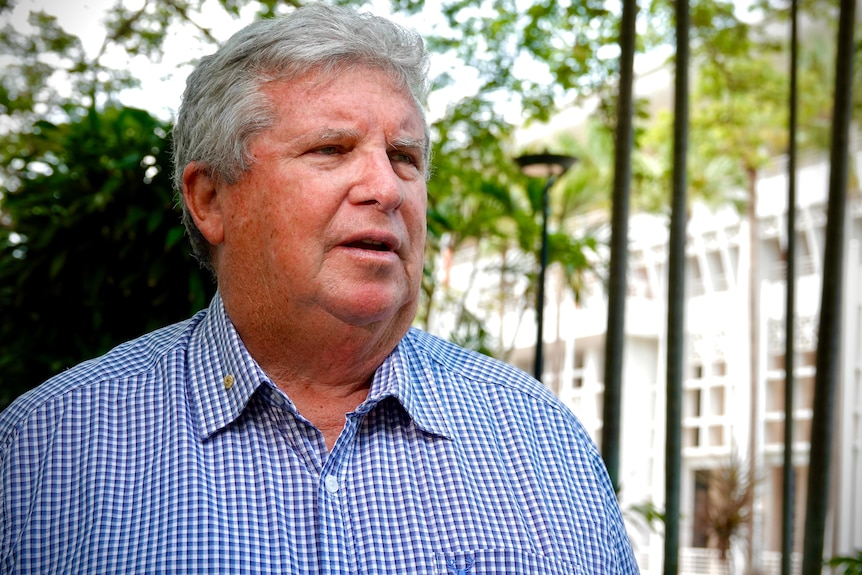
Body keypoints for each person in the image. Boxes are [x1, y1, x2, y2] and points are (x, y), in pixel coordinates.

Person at [0, 3, 640, 573]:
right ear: (210, 199)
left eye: (405, 158)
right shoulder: (48, 450)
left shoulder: (538, 436)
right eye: (331, 149)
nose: (387, 190)